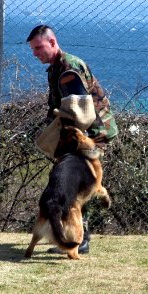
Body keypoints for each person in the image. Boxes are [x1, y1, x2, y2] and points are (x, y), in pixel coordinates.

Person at [26, 25, 118, 254]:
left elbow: (81, 112)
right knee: (74, 180)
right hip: (81, 133)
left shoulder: (68, 69)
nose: (35, 53)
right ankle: (76, 230)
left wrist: (75, 142)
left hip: (91, 133)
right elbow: (61, 107)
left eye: (39, 47)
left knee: (76, 181)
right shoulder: (56, 68)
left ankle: (80, 238)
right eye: (33, 49)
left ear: (53, 42)